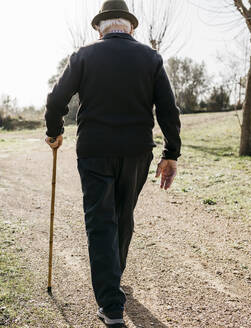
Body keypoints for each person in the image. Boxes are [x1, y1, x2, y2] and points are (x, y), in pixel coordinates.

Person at [44, 0, 181, 326]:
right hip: (137, 152)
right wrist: (171, 153)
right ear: (129, 26)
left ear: (101, 26)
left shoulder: (84, 55)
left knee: (101, 221)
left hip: (94, 150)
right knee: (122, 215)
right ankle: (112, 286)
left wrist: (54, 132)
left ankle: (111, 303)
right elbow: (168, 109)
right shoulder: (151, 57)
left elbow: (55, 100)